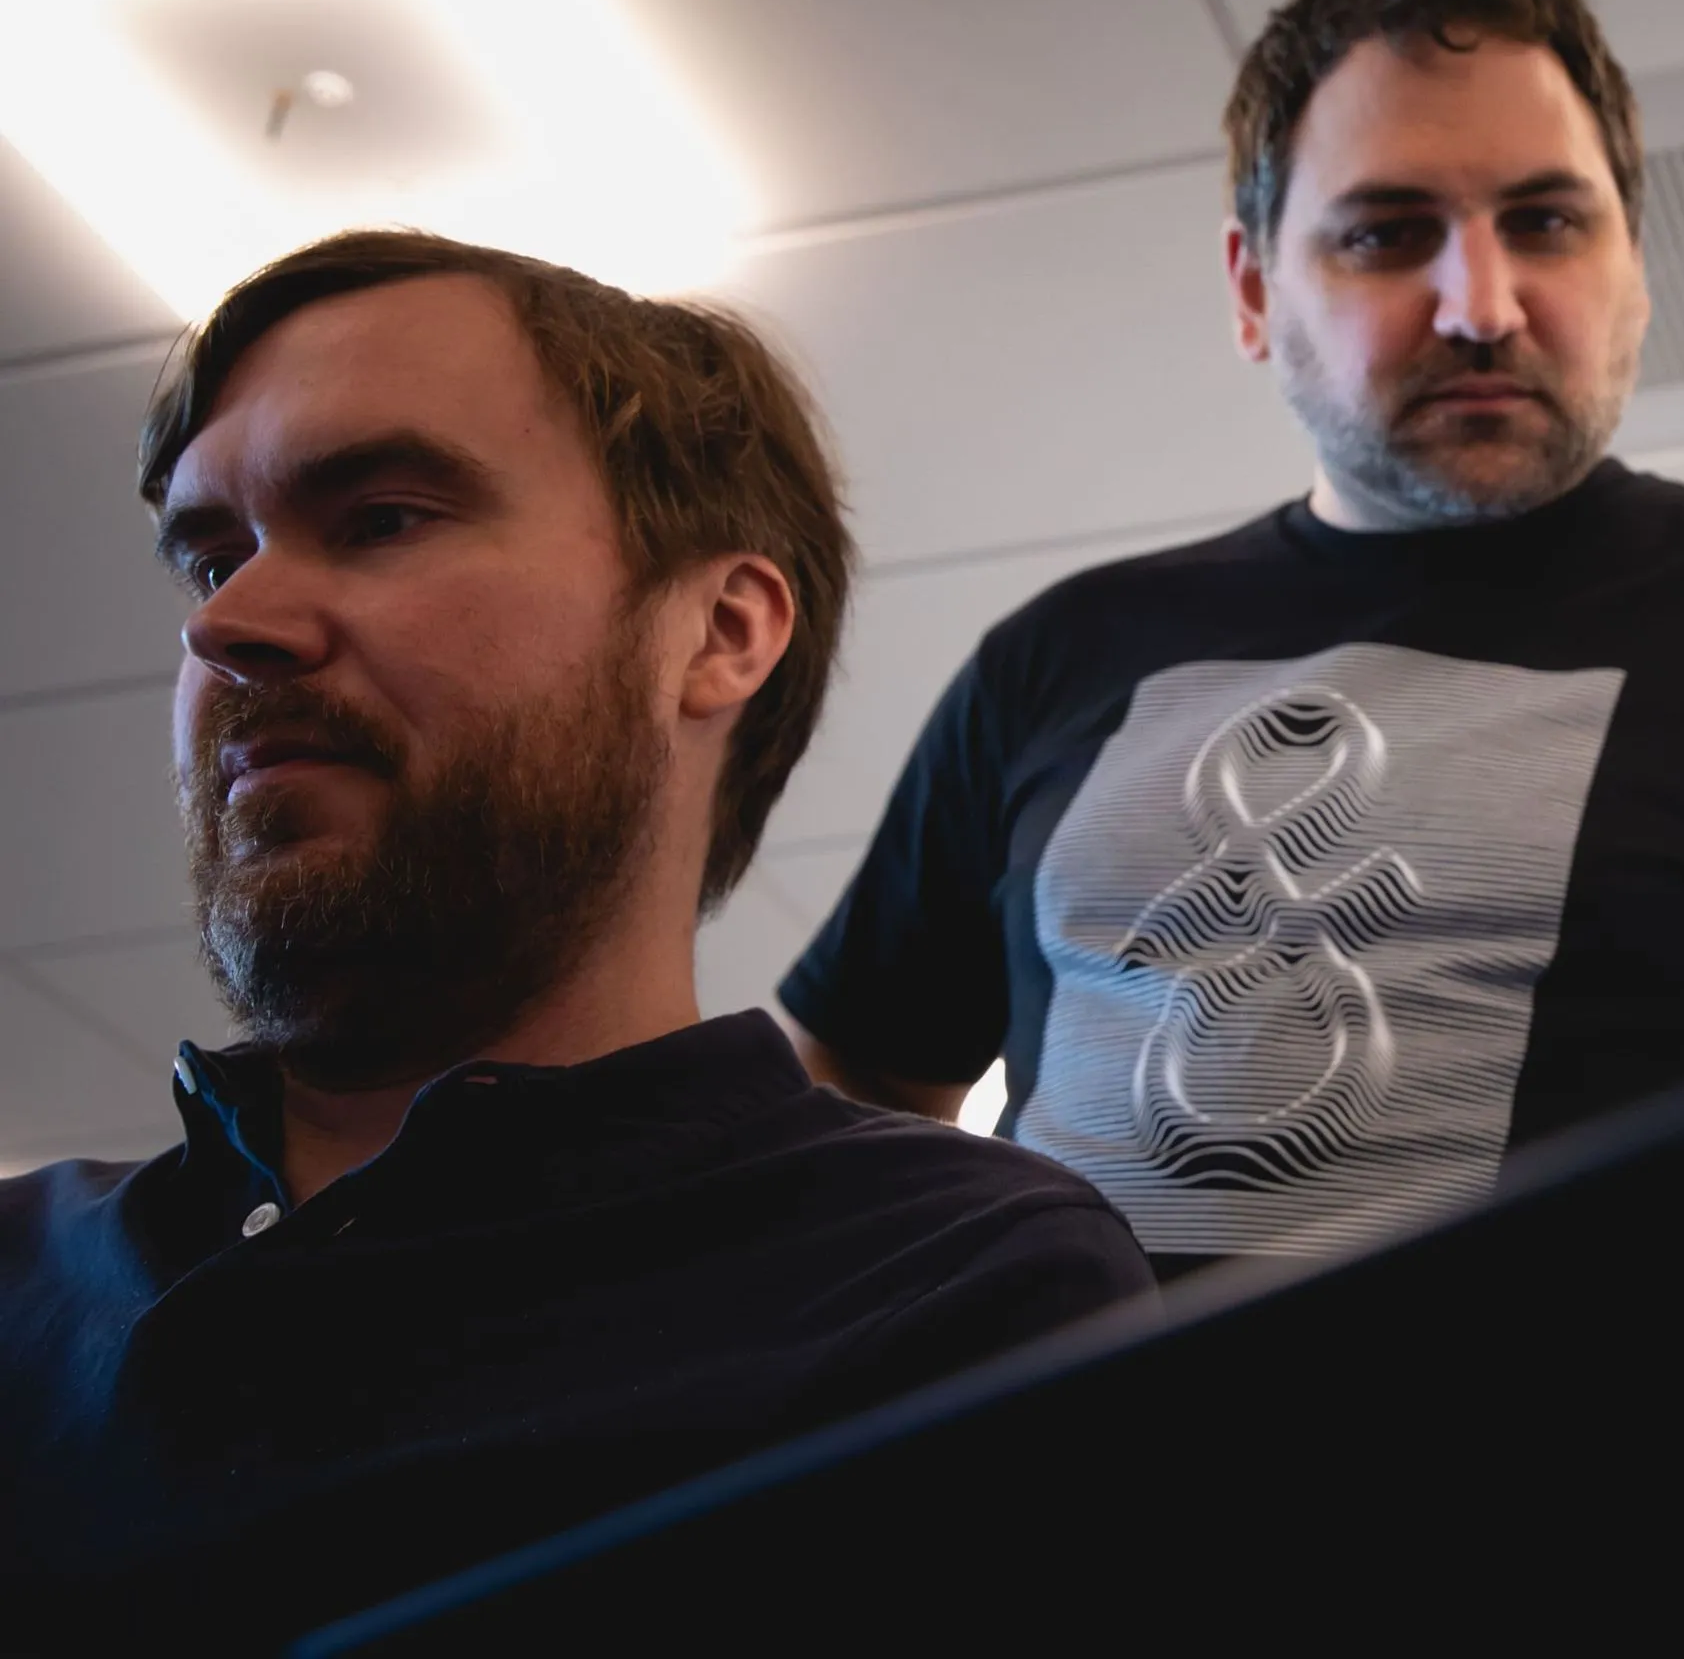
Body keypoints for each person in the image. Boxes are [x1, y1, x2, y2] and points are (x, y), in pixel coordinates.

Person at [781, 0, 1684, 1275]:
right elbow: (843, 1077)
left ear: (1633, 269)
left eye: (1546, 222)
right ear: (1256, 291)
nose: (1481, 304)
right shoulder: (1058, 656)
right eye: (1388, 234)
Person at [0, 231, 1153, 1630]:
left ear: (720, 628)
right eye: (208, 558)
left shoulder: (950, 1288)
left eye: (383, 515)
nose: (230, 623)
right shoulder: (22, 1274)